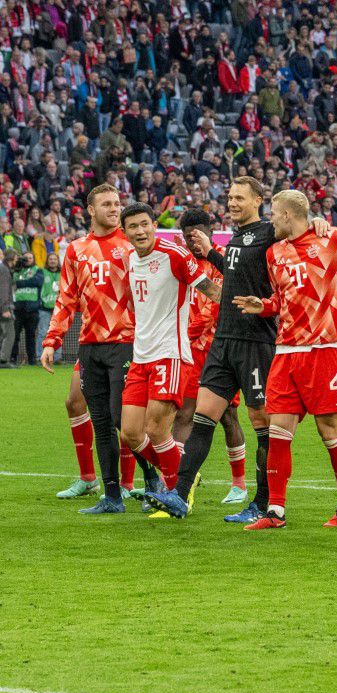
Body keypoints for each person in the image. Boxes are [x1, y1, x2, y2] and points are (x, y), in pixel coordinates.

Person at [149, 177, 329, 523]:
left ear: (258, 200)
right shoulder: (236, 237)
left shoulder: (269, 231)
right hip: (224, 341)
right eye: (229, 196)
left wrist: (319, 222)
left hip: (256, 343)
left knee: (262, 423)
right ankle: (178, 495)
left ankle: (263, 503)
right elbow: (234, 277)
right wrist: (212, 253)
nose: (232, 202)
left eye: (239, 198)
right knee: (203, 416)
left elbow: (301, 229)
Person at [219, 190, 337, 529]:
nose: (271, 219)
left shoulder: (332, 239)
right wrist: (264, 306)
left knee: (329, 431)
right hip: (286, 351)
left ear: (288, 215)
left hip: (323, 350)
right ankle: (275, 512)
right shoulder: (275, 252)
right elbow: (282, 298)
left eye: (274, 213)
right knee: (278, 432)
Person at [41, 184, 160, 514]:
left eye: (117, 203)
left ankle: (153, 480)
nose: (114, 208)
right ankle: (112, 497)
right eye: (107, 204)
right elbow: (66, 298)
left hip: (126, 345)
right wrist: (52, 341)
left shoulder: (133, 245)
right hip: (90, 347)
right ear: (90, 210)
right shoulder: (77, 249)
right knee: (103, 423)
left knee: (126, 422)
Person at [116, 202, 220, 500]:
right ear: (125, 232)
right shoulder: (130, 261)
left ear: (154, 225)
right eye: (133, 226)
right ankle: (184, 473)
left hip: (169, 354)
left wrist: (249, 305)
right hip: (141, 357)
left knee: (157, 428)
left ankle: (177, 492)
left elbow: (211, 291)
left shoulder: (174, 254)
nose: (140, 231)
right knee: (131, 433)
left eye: (145, 224)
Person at [172, 209, 249, 507]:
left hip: (219, 350)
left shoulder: (225, 260)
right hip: (189, 352)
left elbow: (215, 307)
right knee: (184, 414)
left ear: (210, 231)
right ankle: (180, 479)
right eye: (186, 236)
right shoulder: (182, 262)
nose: (191, 242)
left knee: (229, 417)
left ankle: (239, 484)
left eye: (196, 235)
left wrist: (184, 332)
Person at [12, 252, 44, 366]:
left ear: (34, 259)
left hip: (32, 308)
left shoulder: (38, 270)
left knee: (30, 337)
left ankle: (32, 361)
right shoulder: (16, 270)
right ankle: (12, 359)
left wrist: (19, 283)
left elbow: (37, 282)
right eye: (26, 258)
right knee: (14, 336)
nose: (28, 260)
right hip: (17, 308)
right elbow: (11, 281)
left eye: (30, 258)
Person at [0, 254, 14, 368]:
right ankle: (3, 360)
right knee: (9, 333)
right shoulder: (3, 270)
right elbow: (3, 290)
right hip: (3, 308)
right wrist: (5, 308)